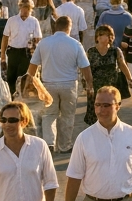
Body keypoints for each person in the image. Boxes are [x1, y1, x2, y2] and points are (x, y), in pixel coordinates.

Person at [29, 14, 94, 153]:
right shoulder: (75, 44)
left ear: (55, 27)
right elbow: (85, 67)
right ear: (69, 28)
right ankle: (65, 145)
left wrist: (31, 83)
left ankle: (49, 143)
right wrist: (89, 84)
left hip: (48, 84)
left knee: (49, 115)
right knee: (67, 116)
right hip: (69, 84)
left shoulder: (44, 43)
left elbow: (32, 67)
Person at [85, 25, 132, 123]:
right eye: (99, 35)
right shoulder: (90, 52)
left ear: (110, 37)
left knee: (111, 110)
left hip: (112, 87)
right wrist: (87, 84)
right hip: (95, 87)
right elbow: (86, 69)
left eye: (104, 35)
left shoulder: (115, 51)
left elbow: (122, 65)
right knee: (95, 114)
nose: (100, 37)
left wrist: (130, 79)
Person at [1, 0, 42, 97]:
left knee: (22, 76)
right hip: (13, 51)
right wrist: (2, 55)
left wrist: (34, 45)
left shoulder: (34, 21)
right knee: (11, 76)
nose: (25, 10)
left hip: (26, 52)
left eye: (27, 8)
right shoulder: (12, 20)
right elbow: (5, 37)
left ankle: (20, 96)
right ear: (20, 8)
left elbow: (38, 38)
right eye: (23, 8)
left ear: (31, 9)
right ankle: (11, 96)